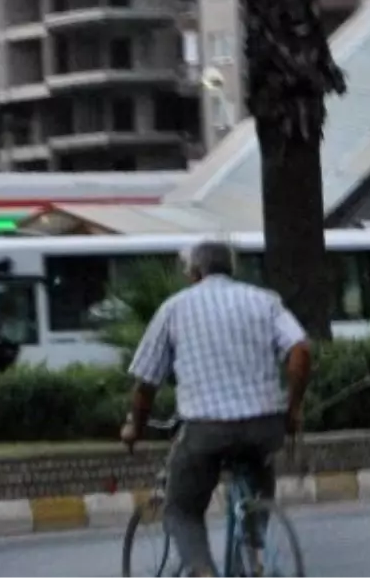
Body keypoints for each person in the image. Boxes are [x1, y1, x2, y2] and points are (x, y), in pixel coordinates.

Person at [120, 241, 312, 578]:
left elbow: (146, 383)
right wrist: (293, 408)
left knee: (181, 509)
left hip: (206, 429)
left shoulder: (174, 309)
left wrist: (134, 426)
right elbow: (300, 350)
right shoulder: (264, 301)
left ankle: (203, 570)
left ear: (194, 272)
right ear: (230, 269)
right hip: (263, 424)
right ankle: (255, 557)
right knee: (258, 472)